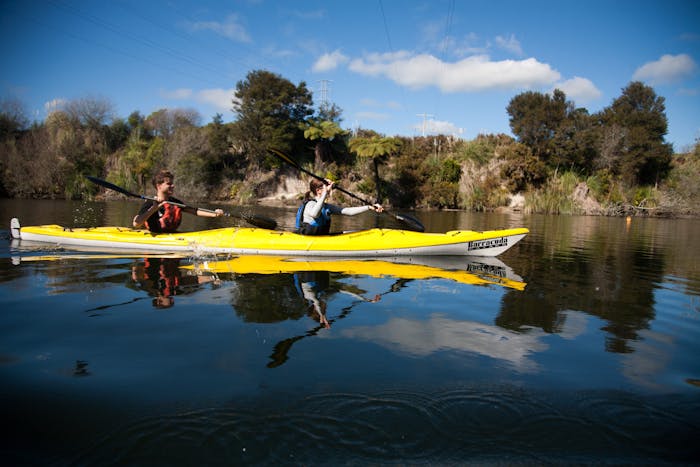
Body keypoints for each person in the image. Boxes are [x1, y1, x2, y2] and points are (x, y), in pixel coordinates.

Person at [133, 169, 223, 233]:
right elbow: (136, 224)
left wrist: (214, 214)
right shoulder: (150, 202)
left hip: (171, 235)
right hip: (155, 238)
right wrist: (154, 208)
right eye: (169, 184)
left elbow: (195, 211)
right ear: (159, 186)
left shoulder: (174, 202)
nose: (173, 186)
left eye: (172, 183)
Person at [295, 179, 383, 235]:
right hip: (308, 239)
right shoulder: (310, 204)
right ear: (318, 191)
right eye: (327, 187)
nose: (331, 190)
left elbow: (348, 211)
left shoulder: (327, 207)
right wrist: (325, 193)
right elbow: (315, 214)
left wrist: (369, 207)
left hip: (322, 238)